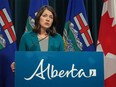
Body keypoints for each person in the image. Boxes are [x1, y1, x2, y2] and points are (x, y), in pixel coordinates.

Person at [11, 5, 64, 71]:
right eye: (44, 16)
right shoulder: (26, 37)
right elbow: (21, 58)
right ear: (38, 18)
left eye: (51, 17)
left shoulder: (58, 38)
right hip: (31, 74)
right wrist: (17, 63)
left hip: (52, 75)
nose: (48, 19)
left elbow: (62, 61)